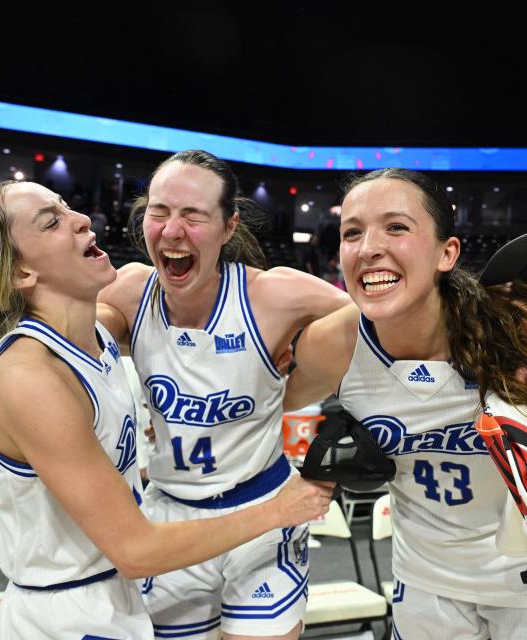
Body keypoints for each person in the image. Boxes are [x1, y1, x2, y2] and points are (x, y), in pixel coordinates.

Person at [284, 169, 527, 640]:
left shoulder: (521, 329)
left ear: (447, 252)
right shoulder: (334, 344)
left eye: (396, 227)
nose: (368, 247)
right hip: (426, 586)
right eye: (352, 232)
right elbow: (261, 409)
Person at [0, 179, 333, 638]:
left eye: (67, 206)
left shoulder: (95, 338)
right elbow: (137, 549)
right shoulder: (31, 377)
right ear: (22, 274)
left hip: (117, 594)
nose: (82, 218)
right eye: (53, 222)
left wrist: (291, 343)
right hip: (69, 611)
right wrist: (280, 511)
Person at [93, 150, 351, 640]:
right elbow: (63, 344)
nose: (172, 231)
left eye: (193, 215)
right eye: (159, 212)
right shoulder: (128, 291)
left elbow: (386, 326)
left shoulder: (274, 295)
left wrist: (302, 363)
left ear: (229, 227)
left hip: (262, 512)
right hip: (170, 519)